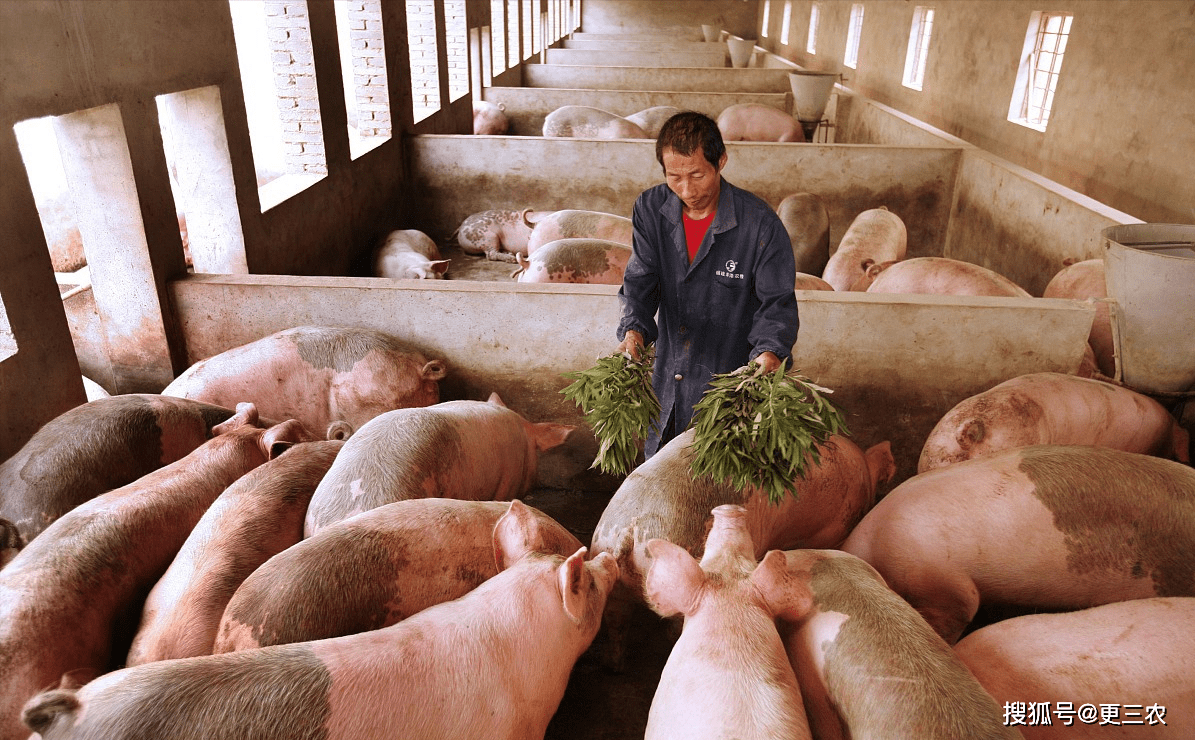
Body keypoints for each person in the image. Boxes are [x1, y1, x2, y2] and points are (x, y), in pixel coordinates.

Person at [617, 111, 799, 458]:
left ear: (722, 161)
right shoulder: (650, 209)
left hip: (729, 389)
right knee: (660, 473)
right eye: (675, 177)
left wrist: (770, 352)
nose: (687, 190)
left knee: (719, 483)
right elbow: (641, 280)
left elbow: (776, 303)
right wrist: (633, 330)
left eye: (697, 175)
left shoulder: (759, 225)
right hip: (668, 377)